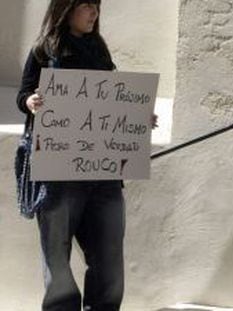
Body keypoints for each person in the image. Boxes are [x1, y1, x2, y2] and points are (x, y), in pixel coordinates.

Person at [16, 1, 156, 310]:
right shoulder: (44, 51)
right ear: (67, 9)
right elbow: (23, 93)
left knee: (109, 257)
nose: (94, 13)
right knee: (56, 258)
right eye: (87, 6)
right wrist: (31, 102)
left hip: (103, 176)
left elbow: (110, 101)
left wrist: (137, 118)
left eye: (97, 7)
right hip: (58, 177)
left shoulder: (99, 49)